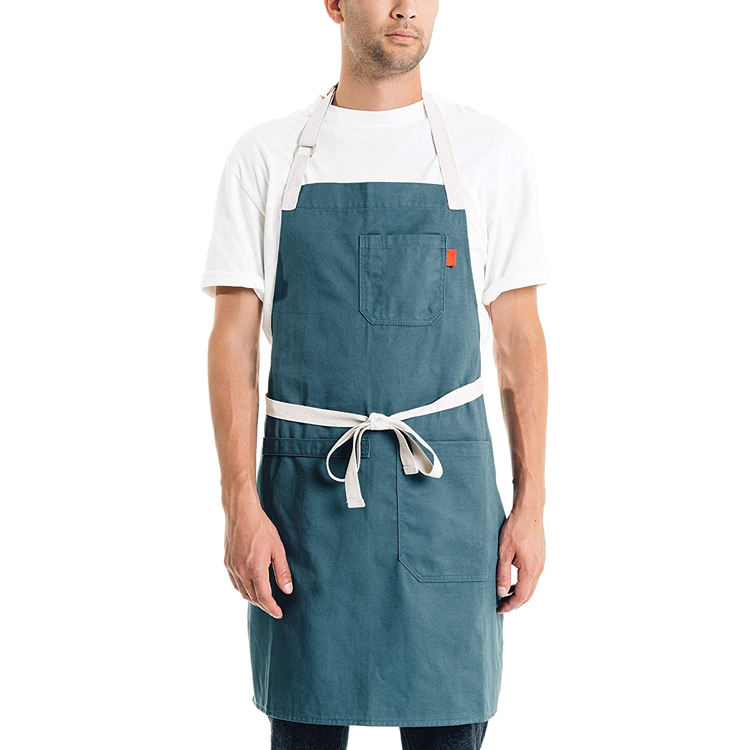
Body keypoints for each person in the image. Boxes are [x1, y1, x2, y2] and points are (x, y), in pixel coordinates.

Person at [202, 2, 549, 748]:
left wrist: (532, 503)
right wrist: (239, 505)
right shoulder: (266, 156)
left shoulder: (489, 152)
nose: (405, 7)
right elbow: (233, 339)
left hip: (449, 506)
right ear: (333, 3)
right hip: (303, 511)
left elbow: (519, 338)